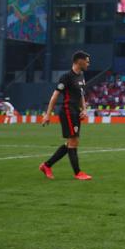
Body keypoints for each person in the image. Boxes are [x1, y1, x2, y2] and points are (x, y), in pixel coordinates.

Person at [39, 51, 92, 180]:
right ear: (79, 61)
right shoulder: (66, 77)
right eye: (87, 61)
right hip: (68, 112)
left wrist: (84, 109)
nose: (88, 63)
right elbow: (55, 96)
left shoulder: (81, 76)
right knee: (73, 142)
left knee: (70, 142)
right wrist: (47, 115)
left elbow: (81, 95)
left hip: (76, 112)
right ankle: (78, 173)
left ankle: (46, 165)